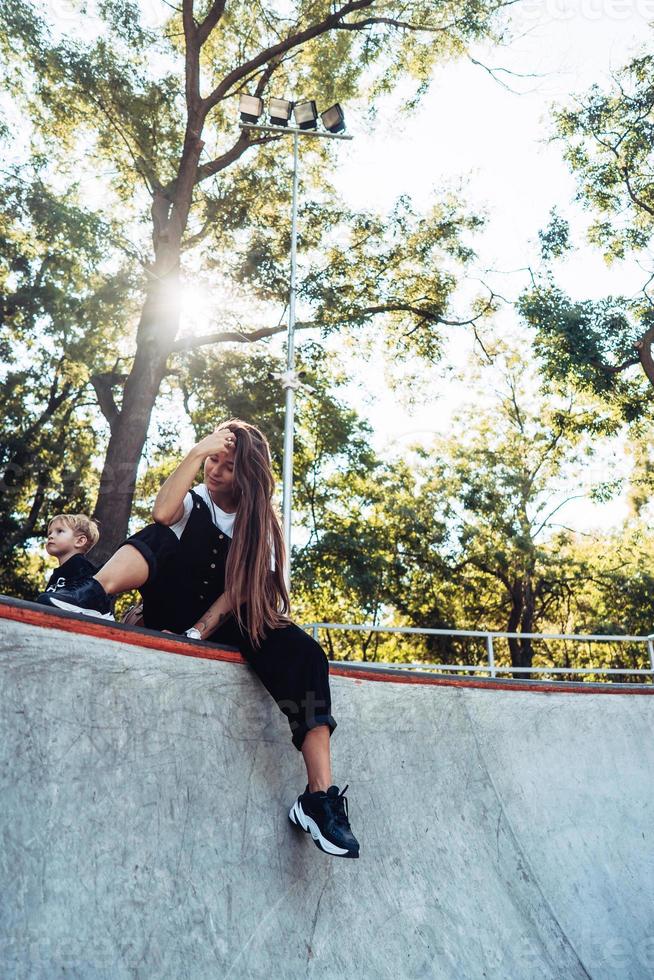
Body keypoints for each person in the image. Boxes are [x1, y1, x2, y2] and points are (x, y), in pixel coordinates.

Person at [37, 419, 359, 859]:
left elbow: (239, 593)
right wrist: (194, 453)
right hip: (170, 599)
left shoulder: (258, 523)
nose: (215, 471)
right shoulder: (197, 499)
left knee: (305, 654)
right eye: (213, 459)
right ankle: (94, 593)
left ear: (246, 474)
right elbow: (161, 514)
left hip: (221, 619)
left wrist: (196, 634)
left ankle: (318, 799)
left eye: (227, 466)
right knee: (165, 530)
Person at [42, 513, 100, 600]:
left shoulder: (82, 566)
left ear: (80, 541)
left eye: (59, 531)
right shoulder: (57, 574)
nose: (50, 536)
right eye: (50, 533)